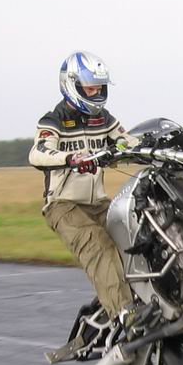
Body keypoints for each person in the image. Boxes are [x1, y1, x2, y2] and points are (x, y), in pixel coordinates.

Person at [28, 51, 139, 331]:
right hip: (63, 206)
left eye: (99, 88)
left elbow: (126, 141)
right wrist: (70, 159)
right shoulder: (54, 120)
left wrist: (149, 147)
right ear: (72, 85)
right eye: (90, 88)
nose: (96, 93)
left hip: (99, 203)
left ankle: (141, 301)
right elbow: (37, 153)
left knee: (137, 237)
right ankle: (126, 315)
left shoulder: (103, 118)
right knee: (99, 246)